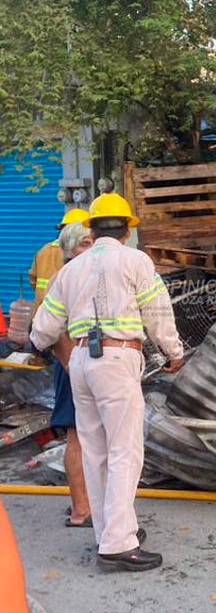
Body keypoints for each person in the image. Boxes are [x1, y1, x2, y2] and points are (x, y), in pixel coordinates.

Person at [30, 193, 185, 572]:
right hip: (117, 358)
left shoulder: (73, 268)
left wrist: (36, 345)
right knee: (124, 450)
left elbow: (43, 329)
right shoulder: (135, 261)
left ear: (93, 227)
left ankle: (109, 531)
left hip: (81, 361)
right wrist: (173, 352)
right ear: (127, 228)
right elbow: (157, 311)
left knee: (96, 449)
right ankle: (118, 542)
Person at [50, 220, 95, 529]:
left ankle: (92, 504)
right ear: (69, 250)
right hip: (71, 366)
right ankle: (81, 511)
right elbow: (51, 331)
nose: (90, 249)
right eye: (84, 244)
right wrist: (72, 366)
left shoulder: (87, 277)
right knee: (77, 437)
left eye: (93, 242)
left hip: (85, 365)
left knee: (91, 438)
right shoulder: (64, 278)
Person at [28, 208, 91, 305]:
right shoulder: (81, 252)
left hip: (43, 310)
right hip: (64, 312)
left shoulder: (44, 250)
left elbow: (33, 279)